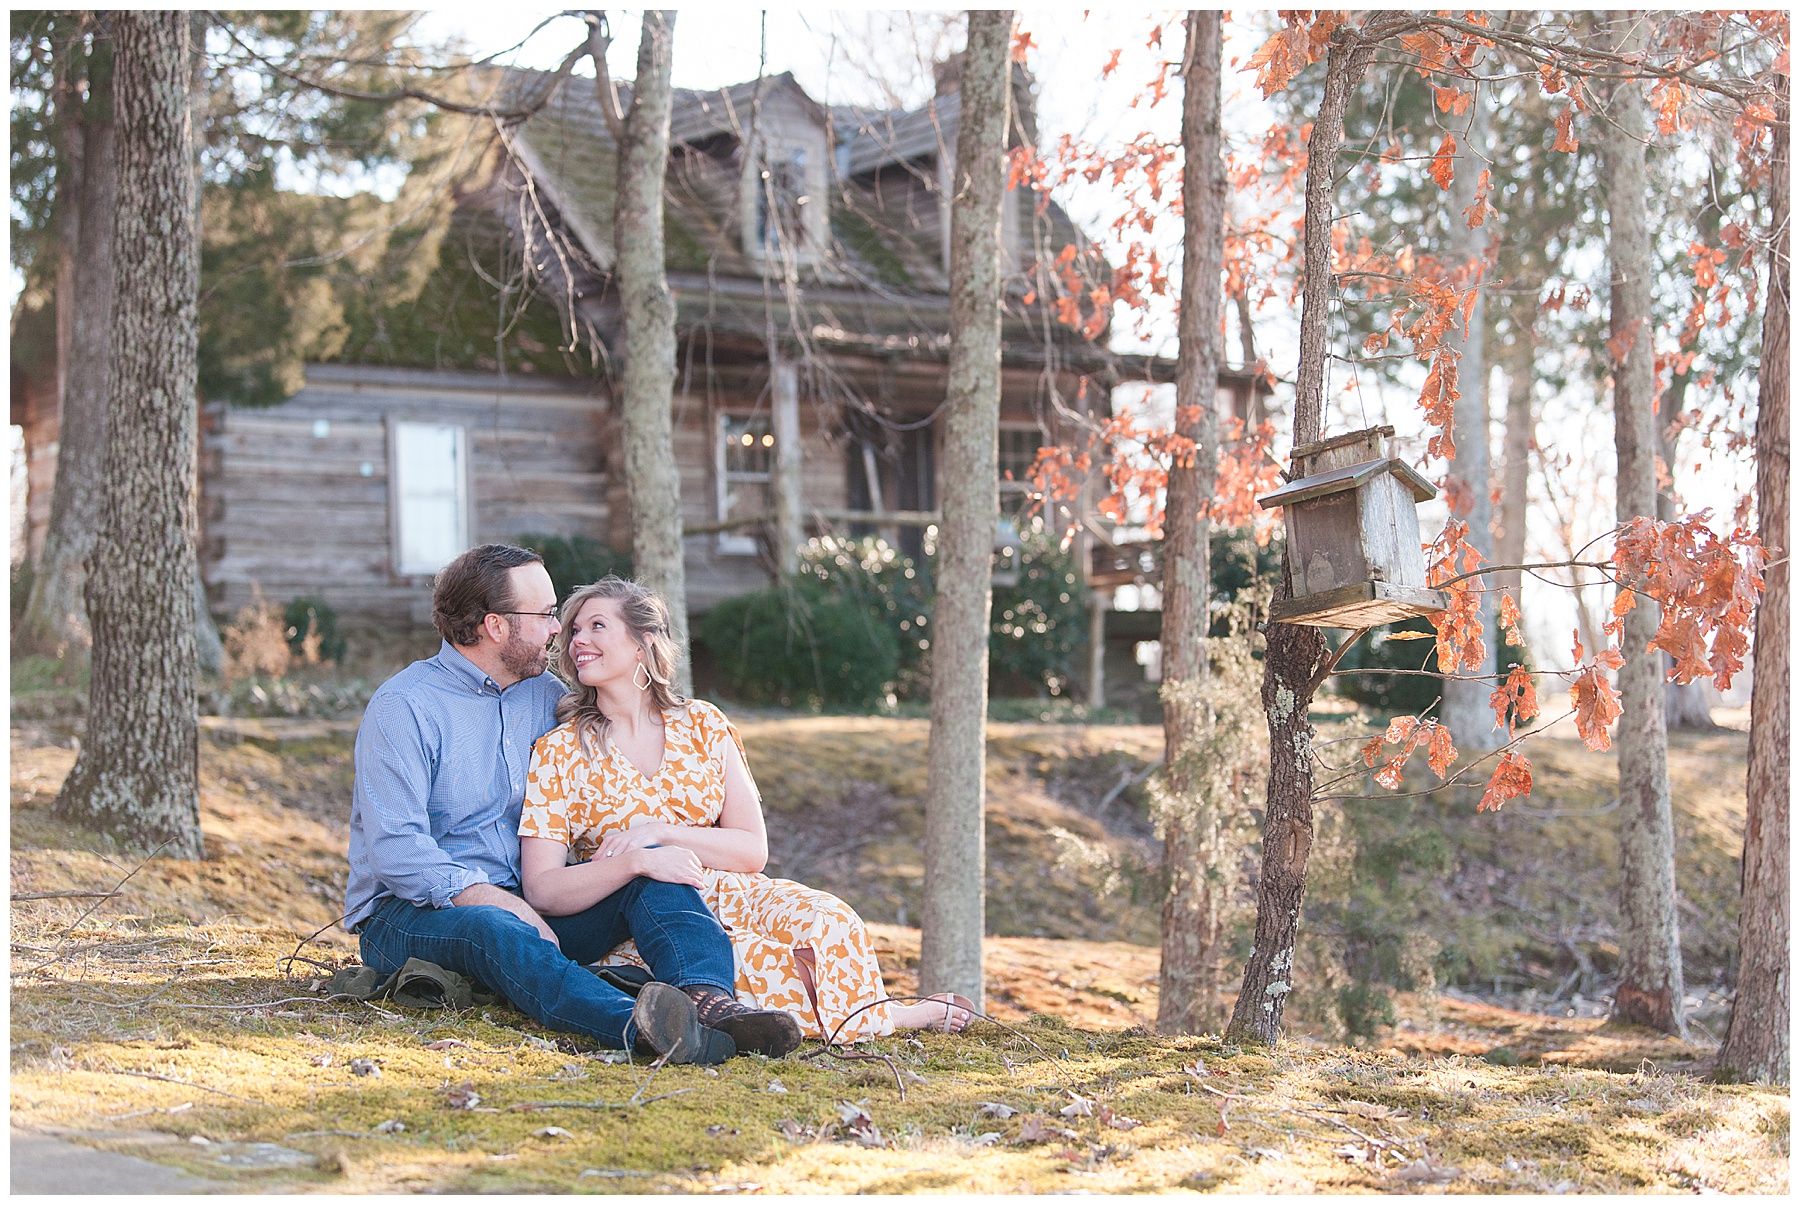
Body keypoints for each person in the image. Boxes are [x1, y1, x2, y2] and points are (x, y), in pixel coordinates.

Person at [343, 544, 801, 1063]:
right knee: (495, 930)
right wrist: (501, 901)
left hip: (532, 904)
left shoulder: (544, 696)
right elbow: (397, 851)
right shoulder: (405, 707)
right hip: (412, 915)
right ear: (496, 626)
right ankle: (647, 1031)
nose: (559, 629)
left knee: (647, 875)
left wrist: (650, 837)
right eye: (545, 615)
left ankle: (711, 1003)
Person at [518, 577, 975, 1043]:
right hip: (644, 914)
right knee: (750, 958)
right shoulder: (560, 750)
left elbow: (751, 850)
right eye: (574, 630)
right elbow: (543, 888)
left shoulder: (704, 724)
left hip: (729, 888)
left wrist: (661, 833)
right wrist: (638, 859)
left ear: (643, 643)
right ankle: (889, 1017)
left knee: (830, 919)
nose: (578, 641)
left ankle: (873, 1014)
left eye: (597, 626)